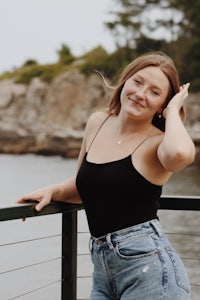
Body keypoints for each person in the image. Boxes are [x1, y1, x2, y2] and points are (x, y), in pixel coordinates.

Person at [17, 51, 196, 300]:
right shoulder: (98, 122)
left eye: (155, 92)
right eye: (137, 81)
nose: (141, 93)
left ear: (162, 106)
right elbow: (86, 188)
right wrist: (53, 191)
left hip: (151, 270)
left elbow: (180, 154)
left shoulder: (158, 144)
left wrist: (175, 110)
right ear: (125, 81)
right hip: (102, 269)